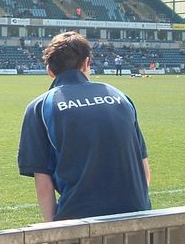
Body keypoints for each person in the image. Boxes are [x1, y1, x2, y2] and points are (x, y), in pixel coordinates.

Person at [18, 31, 151, 222]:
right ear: (87, 63)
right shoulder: (119, 96)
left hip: (79, 221)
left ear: (49, 69)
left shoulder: (40, 107)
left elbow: (43, 183)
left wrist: (52, 229)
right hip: (138, 216)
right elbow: (144, 170)